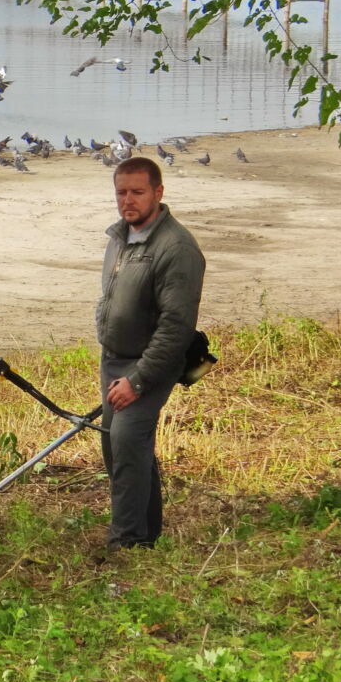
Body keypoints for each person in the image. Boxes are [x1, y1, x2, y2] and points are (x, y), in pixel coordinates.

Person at [97, 156, 205, 549]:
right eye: (121, 192)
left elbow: (176, 327)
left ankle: (126, 542)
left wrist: (139, 380)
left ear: (158, 193)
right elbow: (109, 297)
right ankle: (148, 533)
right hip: (112, 359)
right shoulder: (118, 237)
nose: (128, 200)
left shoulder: (177, 248)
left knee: (127, 441)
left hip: (148, 364)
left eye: (137, 192)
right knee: (118, 444)